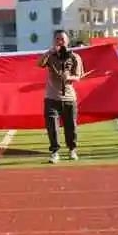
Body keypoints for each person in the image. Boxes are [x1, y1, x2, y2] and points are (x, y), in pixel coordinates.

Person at [39, 29, 84, 163]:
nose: (60, 42)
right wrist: (49, 52)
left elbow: (78, 76)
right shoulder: (50, 56)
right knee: (52, 126)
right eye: (57, 39)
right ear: (54, 41)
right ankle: (55, 152)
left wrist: (68, 77)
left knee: (71, 127)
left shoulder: (75, 57)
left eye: (62, 39)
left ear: (67, 41)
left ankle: (72, 150)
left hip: (69, 98)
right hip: (51, 97)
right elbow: (39, 63)